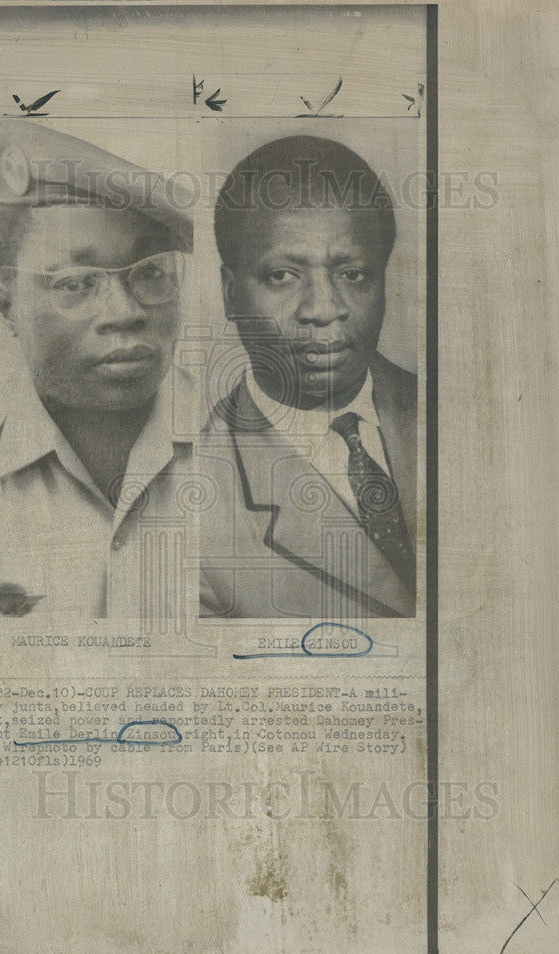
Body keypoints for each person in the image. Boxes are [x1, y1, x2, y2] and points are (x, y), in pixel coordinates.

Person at [0, 120, 196, 618]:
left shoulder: (245, 443)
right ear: (7, 305)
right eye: (75, 283)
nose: (124, 313)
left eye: (151, 274)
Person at [199, 135, 417, 619]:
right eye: (282, 276)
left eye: (353, 274)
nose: (324, 310)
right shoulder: (190, 512)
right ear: (230, 294)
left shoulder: (458, 413)